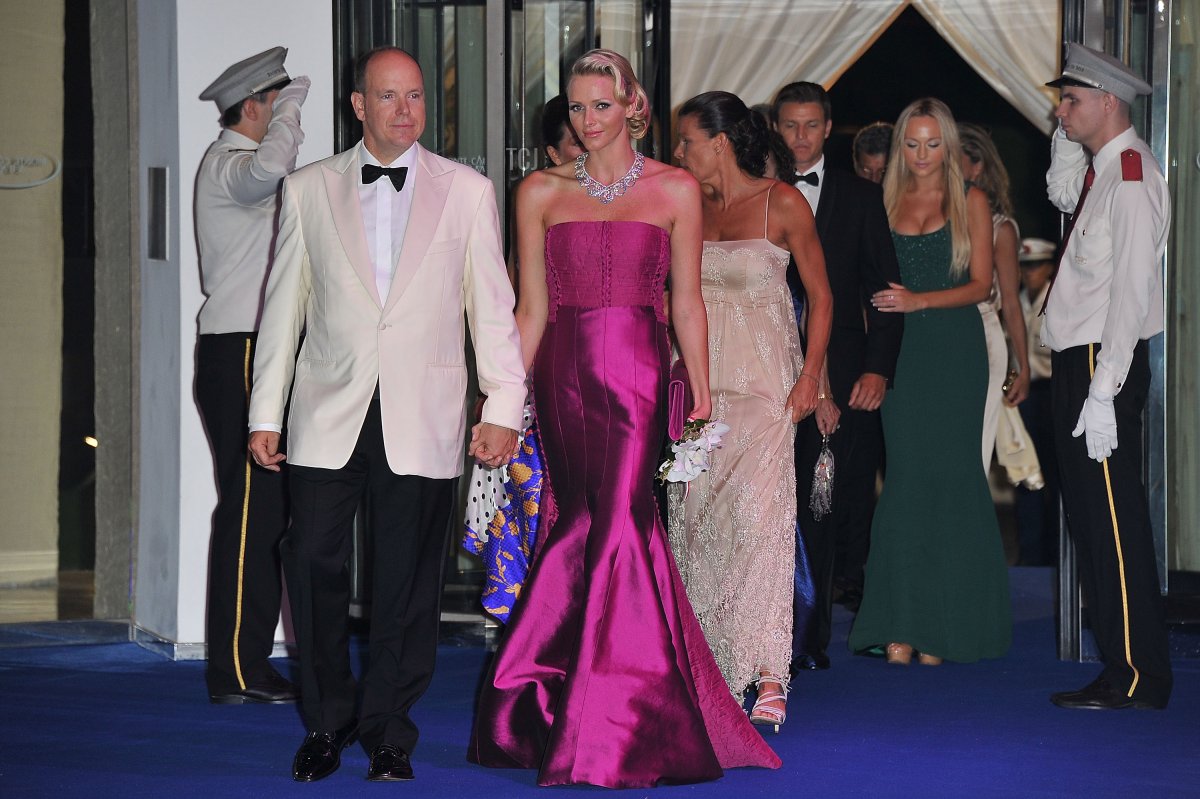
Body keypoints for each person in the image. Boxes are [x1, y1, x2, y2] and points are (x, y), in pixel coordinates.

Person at [468, 49, 780, 787]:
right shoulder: (539, 190)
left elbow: (685, 301)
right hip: (564, 377)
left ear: (633, 106)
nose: (587, 120)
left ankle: (610, 713)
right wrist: (504, 403)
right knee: (576, 520)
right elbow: (532, 308)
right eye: (576, 108)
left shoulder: (675, 189)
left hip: (640, 372)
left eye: (601, 106)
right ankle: (565, 701)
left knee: (620, 522)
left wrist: (699, 385)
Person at [247, 46, 527, 782]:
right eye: (388, 96)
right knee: (312, 563)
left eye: (415, 96)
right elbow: (283, 309)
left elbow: (491, 308)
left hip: (425, 411)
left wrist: (504, 403)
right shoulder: (308, 187)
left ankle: (389, 730)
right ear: (358, 105)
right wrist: (264, 410)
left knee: (407, 583)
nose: (405, 109)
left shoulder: (466, 190)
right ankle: (327, 720)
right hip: (324, 410)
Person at [668, 90, 831, 730]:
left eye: (687, 141)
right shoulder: (684, 206)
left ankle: (769, 674)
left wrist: (812, 376)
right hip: (701, 391)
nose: (679, 153)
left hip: (768, 389)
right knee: (700, 524)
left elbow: (822, 297)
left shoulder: (781, 202)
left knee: (761, 525)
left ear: (721, 141)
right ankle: (704, 659)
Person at [847, 97, 1011, 666]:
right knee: (906, 483)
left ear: (947, 144)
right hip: (899, 356)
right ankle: (899, 625)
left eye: (932, 143)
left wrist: (918, 300)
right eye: (911, 144)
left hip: (955, 352)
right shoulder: (881, 200)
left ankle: (948, 625)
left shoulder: (972, 199)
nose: (921, 155)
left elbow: (982, 285)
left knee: (954, 481)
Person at [1042, 43, 1172, 710]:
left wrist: (1106, 387)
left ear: (1108, 102)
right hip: (1082, 356)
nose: (1060, 111)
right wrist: (1067, 135)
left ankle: (1137, 674)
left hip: (1102, 359)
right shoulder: (1100, 168)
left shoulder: (1128, 172)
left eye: (1071, 101)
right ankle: (1125, 664)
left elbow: (1131, 288)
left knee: (1113, 522)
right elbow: (1061, 191)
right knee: (1095, 519)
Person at [771, 82, 904, 671]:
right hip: (761, 362)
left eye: (810, 126)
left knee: (821, 504)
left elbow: (883, 290)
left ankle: (809, 638)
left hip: (842, 369)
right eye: (790, 126)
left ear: (828, 129)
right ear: (777, 127)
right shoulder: (757, 190)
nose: (800, 137)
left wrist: (878, 367)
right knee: (770, 501)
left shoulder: (858, 196)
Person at [194, 46, 308, 706]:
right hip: (238, 349)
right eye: (276, 103)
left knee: (265, 513)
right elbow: (271, 167)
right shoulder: (231, 164)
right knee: (249, 513)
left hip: (257, 349)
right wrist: (292, 107)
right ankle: (235, 668)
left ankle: (249, 660)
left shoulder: (236, 168)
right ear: (256, 105)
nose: (286, 115)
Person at [461, 94, 581, 622]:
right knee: (531, 498)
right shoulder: (539, 201)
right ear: (552, 153)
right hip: (540, 371)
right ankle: (537, 623)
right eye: (575, 143)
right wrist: (506, 396)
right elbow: (517, 299)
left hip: (612, 375)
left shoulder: (640, 195)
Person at [959, 123, 1032, 466]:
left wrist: (1023, 365)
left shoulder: (1000, 227)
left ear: (977, 166)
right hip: (936, 333)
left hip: (983, 336)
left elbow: (1012, 305)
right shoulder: (929, 217)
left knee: (974, 444)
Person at [1015, 237, 1059, 565]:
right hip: (1024, 394)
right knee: (1026, 474)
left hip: (1051, 393)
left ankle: (1054, 552)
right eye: (1024, 266)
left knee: (1055, 475)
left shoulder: (1056, 300)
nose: (1029, 273)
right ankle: (1031, 554)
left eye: (1035, 266)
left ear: (1049, 268)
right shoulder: (1017, 300)